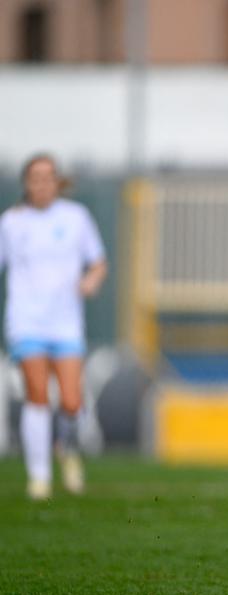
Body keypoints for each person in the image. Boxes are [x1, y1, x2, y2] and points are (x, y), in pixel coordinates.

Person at [0, 154, 107, 500]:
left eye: (48, 177)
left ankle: (67, 448)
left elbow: (98, 262)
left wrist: (91, 280)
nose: (42, 184)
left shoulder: (76, 218)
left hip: (66, 323)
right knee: (37, 394)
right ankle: (40, 476)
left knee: (72, 401)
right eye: (35, 178)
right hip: (26, 321)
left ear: (57, 182)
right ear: (26, 183)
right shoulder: (12, 223)